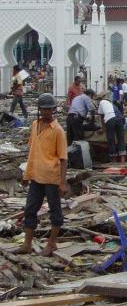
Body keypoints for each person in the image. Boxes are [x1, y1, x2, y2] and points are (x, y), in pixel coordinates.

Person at [15, 93, 68, 256]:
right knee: (30, 209)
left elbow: (63, 158)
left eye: (49, 109)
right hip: (36, 176)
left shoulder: (58, 130)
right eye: (43, 109)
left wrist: (62, 182)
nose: (46, 112)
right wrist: (26, 174)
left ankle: (52, 243)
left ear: (53, 110)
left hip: (52, 177)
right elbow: (33, 152)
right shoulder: (35, 125)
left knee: (55, 211)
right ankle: (27, 244)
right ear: (40, 110)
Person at [98, 94, 126, 163]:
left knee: (111, 139)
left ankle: (113, 160)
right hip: (120, 118)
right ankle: (122, 159)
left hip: (110, 119)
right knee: (121, 138)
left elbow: (102, 117)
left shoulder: (101, 102)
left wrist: (103, 129)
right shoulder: (111, 103)